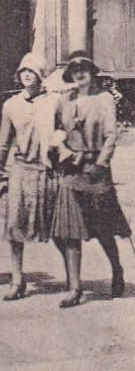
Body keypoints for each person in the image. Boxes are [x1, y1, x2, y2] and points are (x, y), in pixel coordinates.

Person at [50, 50, 131, 308]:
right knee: (69, 231)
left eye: (84, 68)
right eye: (75, 70)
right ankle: (75, 288)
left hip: (96, 171)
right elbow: (57, 131)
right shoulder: (65, 101)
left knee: (103, 228)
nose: (80, 73)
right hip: (71, 171)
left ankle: (117, 270)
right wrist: (61, 152)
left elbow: (110, 136)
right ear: (70, 75)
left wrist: (100, 164)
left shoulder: (104, 99)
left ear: (92, 72)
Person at [0, 53, 59, 301]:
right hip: (20, 171)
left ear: (40, 75)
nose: (27, 75)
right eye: (23, 71)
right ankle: (17, 281)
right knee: (14, 228)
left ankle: (74, 281)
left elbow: (64, 132)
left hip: (47, 172)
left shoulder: (54, 102)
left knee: (59, 228)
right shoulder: (11, 105)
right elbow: (4, 141)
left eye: (32, 71)